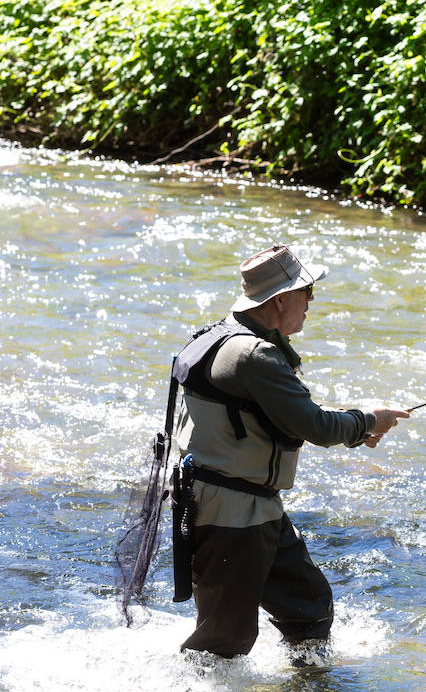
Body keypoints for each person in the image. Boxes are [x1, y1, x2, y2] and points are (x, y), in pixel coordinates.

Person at [171, 245, 409, 658]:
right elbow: (314, 426)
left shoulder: (225, 337)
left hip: (253, 507)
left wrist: (357, 427)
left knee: (309, 610)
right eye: (308, 292)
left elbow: (287, 418)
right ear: (280, 300)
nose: (311, 303)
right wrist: (369, 420)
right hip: (231, 514)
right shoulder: (253, 355)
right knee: (223, 644)